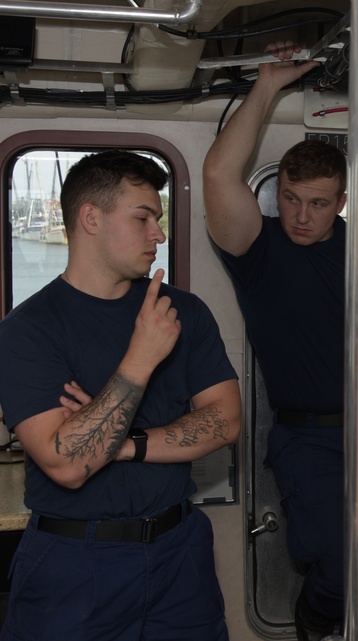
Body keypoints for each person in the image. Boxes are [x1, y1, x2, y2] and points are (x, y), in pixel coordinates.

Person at [203, 42, 358, 640]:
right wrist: (267, 86)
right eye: (289, 198)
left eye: (316, 203)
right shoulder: (257, 252)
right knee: (335, 557)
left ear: (341, 202)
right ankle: (315, 623)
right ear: (276, 192)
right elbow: (216, 174)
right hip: (306, 437)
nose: (300, 215)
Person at [0, 150, 242, 641]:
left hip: (180, 554)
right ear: (91, 218)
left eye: (158, 217)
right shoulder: (28, 330)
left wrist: (122, 442)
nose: (159, 233)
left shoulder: (184, 312)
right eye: (143, 217)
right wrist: (141, 357)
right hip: (75, 562)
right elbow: (68, 464)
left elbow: (225, 421)